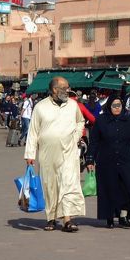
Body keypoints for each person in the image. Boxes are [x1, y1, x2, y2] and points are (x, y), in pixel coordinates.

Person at [24, 77, 86, 232]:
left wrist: (76, 136)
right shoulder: (40, 107)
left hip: (69, 152)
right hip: (47, 153)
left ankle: (67, 219)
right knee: (50, 185)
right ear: (54, 90)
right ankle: (50, 218)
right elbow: (33, 131)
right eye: (64, 87)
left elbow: (80, 122)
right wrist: (30, 154)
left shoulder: (72, 105)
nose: (68, 90)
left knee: (68, 183)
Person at [86, 96, 130, 228]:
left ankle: (124, 217)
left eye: (119, 106)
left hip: (126, 161)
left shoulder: (128, 120)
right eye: (114, 106)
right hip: (106, 162)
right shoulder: (101, 121)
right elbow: (94, 142)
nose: (117, 108)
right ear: (109, 106)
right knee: (109, 190)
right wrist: (90, 160)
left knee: (128, 189)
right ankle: (109, 218)